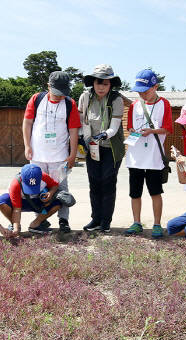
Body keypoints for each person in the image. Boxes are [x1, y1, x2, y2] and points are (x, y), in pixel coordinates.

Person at [22, 70, 81, 233]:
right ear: (48, 86)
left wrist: (73, 155)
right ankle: (40, 219)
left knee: (62, 190)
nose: (60, 96)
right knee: (37, 190)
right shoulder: (36, 99)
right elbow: (27, 123)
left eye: (63, 93)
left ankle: (64, 220)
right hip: (37, 157)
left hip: (60, 158)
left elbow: (74, 131)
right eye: (56, 93)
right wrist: (27, 145)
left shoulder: (70, 103)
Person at [124, 69, 173, 237]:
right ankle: (136, 222)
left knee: (155, 192)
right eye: (139, 92)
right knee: (135, 193)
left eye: (145, 91)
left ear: (155, 87)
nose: (142, 95)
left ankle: (157, 224)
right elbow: (129, 127)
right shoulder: (134, 105)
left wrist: (152, 131)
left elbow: (168, 128)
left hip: (153, 158)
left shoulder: (164, 104)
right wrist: (133, 131)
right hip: (135, 157)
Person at [78, 64, 126, 233]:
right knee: (94, 183)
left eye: (105, 84)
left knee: (107, 183)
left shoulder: (116, 99)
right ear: (93, 83)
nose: (101, 87)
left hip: (111, 148)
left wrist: (103, 135)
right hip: (92, 147)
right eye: (99, 83)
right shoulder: (85, 97)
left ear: (111, 85)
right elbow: (82, 121)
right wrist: (84, 139)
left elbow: (114, 127)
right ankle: (95, 219)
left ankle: (106, 221)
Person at [0, 163, 62, 234]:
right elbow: (17, 209)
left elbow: (55, 185)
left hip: (38, 201)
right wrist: (16, 228)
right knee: (2, 200)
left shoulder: (43, 176)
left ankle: (35, 224)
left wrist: (50, 193)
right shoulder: (15, 184)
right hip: (21, 202)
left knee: (58, 201)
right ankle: (14, 224)